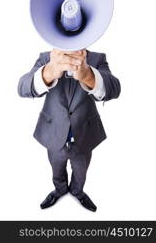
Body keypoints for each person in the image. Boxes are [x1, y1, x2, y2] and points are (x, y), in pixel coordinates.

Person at [18, 48, 121, 211]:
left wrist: (89, 75)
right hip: (54, 134)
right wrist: (48, 72)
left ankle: (78, 192)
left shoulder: (97, 58)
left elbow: (115, 89)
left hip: (84, 135)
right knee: (56, 170)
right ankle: (59, 190)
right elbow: (22, 88)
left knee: (81, 173)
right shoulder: (47, 58)